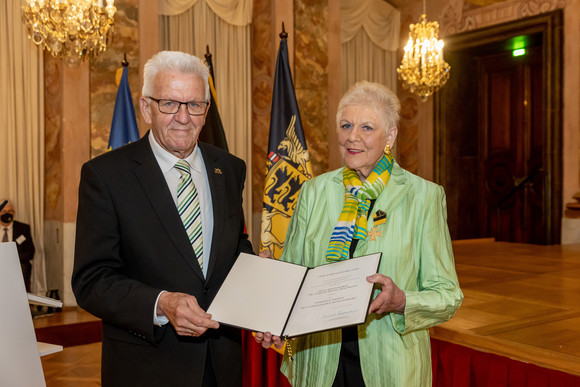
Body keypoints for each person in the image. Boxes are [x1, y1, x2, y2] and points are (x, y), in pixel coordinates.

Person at [256, 81, 463, 386]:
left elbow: (448, 295)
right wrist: (273, 308)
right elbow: (293, 273)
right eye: (346, 125)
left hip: (389, 365)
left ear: (390, 135)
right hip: (319, 362)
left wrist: (402, 300)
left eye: (367, 127)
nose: (353, 136)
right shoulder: (314, 191)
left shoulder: (424, 197)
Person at [72, 51, 254, 387]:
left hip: (222, 363)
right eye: (169, 103)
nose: (183, 117)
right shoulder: (106, 176)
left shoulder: (229, 168)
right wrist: (160, 303)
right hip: (147, 367)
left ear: (206, 110)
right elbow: (91, 280)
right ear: (145, 108)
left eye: (194, 104)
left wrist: (259, 277)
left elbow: (233, 246)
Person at [1, 200, 35, 292]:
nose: (6, 214)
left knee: (23, 267)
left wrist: (14, 259)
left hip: (17, 262)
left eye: (10, 211)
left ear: (14, 213)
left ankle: (19, 296)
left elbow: (30, 252)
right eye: (3, 211)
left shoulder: (23, 228)